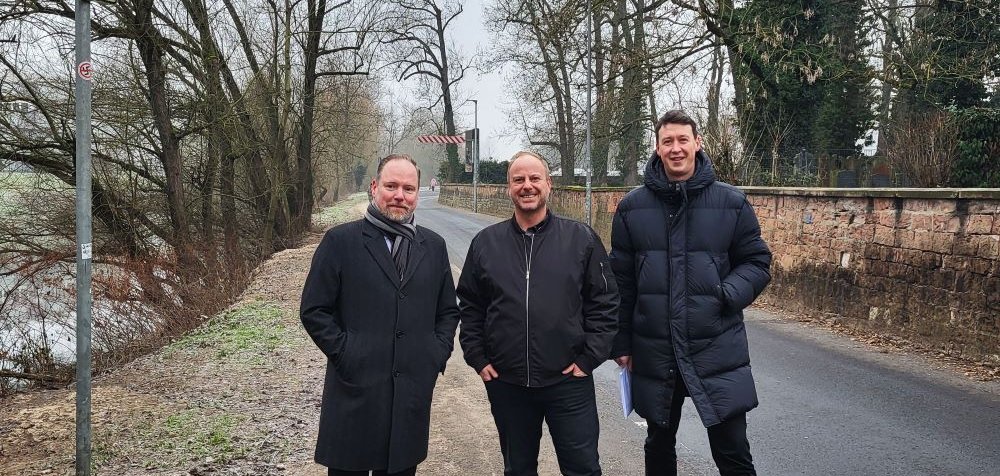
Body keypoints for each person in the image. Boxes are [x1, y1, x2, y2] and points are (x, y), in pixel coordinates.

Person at [609, 110, 772, 476]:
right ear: (657, 147)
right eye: (668, 141)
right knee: (659, 446)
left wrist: (726, 293)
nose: (676, 148)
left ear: (698, 143)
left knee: (732, 451)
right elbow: (621, 283)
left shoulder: (732, 203)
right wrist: (620, 343)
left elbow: (757, 263)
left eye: (683, 140)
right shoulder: (632, 208)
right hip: (655, 349)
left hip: (715, 346)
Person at [457, 150, 619, 476]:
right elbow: (471, 305)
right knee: (518, 469)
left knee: (583, 468)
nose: (527, 186)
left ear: (549, 185)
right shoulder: (485, 243)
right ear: (508, 188)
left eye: (534, 178)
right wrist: (477, 355)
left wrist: (589, 358)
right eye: (519, 179)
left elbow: (605, 303)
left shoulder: (581, 239)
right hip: (508, 383)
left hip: (568, 381)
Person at [300, 154, 460, 476]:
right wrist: (347, 353)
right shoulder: (340, 241)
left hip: (410, 395)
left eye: (408, 188)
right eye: (391, 186)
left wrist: (435, 354)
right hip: (354, 393)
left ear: (417, 193)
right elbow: (314, 309)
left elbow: (448, 311)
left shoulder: (434, 246)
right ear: (375, 187)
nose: (400, 195)